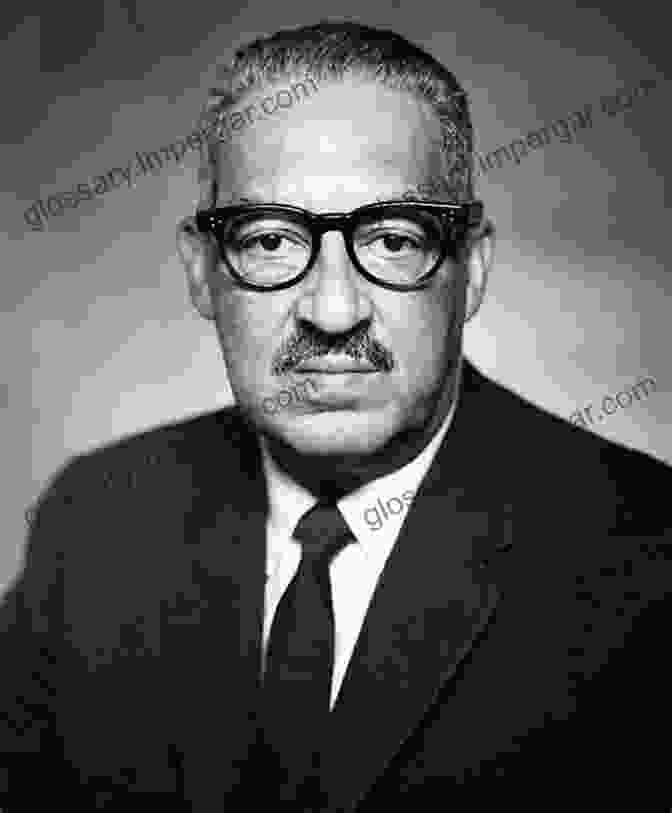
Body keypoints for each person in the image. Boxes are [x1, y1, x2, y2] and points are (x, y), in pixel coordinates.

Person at [2, 20, 670, 813]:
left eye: (392, 240)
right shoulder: (94, 525)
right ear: (201, 270)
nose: (331, 308)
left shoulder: (648, 564)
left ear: (475, 269)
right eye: (271, 239)